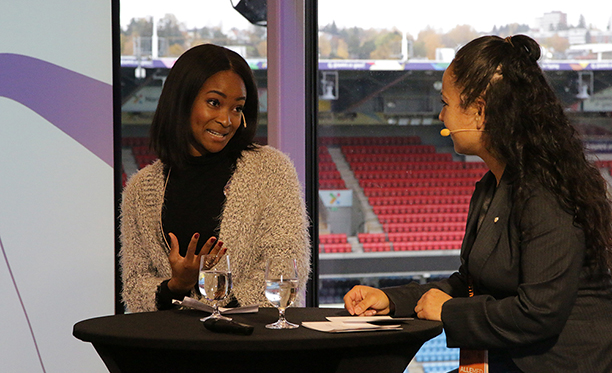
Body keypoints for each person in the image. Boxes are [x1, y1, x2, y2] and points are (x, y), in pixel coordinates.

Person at [344, 35, 612, 372]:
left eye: (446, 103)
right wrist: (391, 300)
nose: (441, 115)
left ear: (480, 112)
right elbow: (470, 283)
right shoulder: (492, 185)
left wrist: (448, 311)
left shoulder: (547, 193)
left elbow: (538, 314)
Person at [120, 44, 310, 313]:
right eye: (214, 103)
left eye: (237, 108)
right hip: (171, 344)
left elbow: (285, 267)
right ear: (182, 100)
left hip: (253, 344)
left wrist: (213, 311)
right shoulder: (140, 188)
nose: (227, 120)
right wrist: (176, 285)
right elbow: (135, 283)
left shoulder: (271, 170)